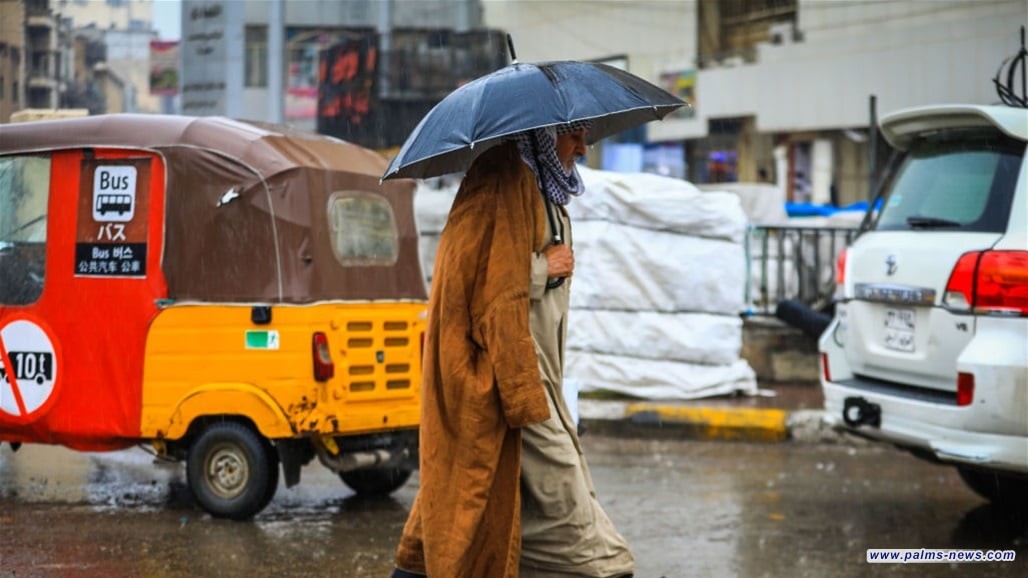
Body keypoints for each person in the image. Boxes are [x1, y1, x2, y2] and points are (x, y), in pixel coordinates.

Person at [391, 122, 634, 578]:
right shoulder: (502, 178)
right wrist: (544, 267)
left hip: (541, 379)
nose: (584, 146)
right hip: (513, 382)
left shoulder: (545, 189)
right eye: (573, 134)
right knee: (581, 532)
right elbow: (471, 281)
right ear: (544, 134)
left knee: (462, 505)